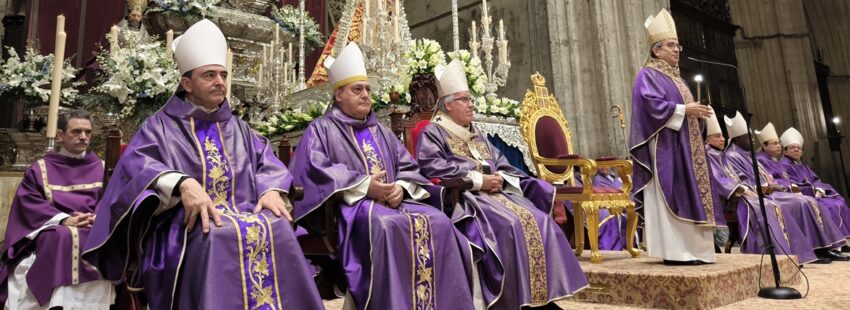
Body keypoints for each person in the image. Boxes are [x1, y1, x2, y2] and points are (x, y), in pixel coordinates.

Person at [82, 19, 323, 309]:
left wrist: (271, 190)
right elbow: (136, 166)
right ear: (186, 83)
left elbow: (268, 163)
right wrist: (182, 183)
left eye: (222, 74)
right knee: (217, 235)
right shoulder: (159, 127)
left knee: (280, 229)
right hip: (183, 225)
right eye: (209, 75)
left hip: (245, 214)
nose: (220, 82)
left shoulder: (240, 129)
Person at [289, 43, 475, 310]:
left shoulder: (382, 132)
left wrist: (400, 186)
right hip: (352, 208)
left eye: (367, 89)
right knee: (387, 227)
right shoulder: (322, 129)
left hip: (395, 202)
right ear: (338, 95)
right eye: (357, 89)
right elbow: (316, 170)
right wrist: (365, 186)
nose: (366, 95)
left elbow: (408, 167)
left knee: (440, 221)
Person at [417, 60, 588, 309]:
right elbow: (433, 168)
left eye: (470, 99)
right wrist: (478, 180)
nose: (471, 104)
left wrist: (500, 179)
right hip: (467, 198)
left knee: (539, 219)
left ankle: (540, 298)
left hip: (496, 193)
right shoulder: (434, 132)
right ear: (449, 105)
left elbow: (501, 163)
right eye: (464, 99)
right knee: (510, 225)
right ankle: (511, 300)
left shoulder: (476, 133)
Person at [629, 8, 721, 265]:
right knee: (675, 193)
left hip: (688, 147)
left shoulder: (677, 78)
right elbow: (648, 105)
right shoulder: (648, 75)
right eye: (671, 45)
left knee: (693, 193)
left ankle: (698, 250)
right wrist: (683, 109)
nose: (677, 49)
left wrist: (698, 114)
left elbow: (685, 108)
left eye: (678, 45)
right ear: (656, 50)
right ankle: (676, 252)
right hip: (667, 149)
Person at [0, 110, 115, 309]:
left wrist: (98, 218)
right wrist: (63, 219)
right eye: (77, 131)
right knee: (63, 237)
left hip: (92, 225)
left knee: (97, 238)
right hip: (53, 227)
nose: (84, 137)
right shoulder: (41, 168)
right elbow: (29, 203)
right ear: (61, 135)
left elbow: (111, 200)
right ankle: (56, 304)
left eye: (88, 132)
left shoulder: (102, 167)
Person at [723, 113, 848, 262]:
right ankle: (800, 252)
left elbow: (767, 178)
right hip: (754, 196)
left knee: (806, 201)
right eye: (747, 137)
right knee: (792, 204)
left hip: (769, 192)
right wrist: (763, 186)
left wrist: (771, 185)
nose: (752, 141)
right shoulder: (731, 156)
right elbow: (736, 180)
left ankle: (820, 248)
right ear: (737, 138)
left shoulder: (747, 155)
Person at [704, 114, 820, 263]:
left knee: (800, 201)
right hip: (735, 198)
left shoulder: (732, 154)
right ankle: (774, 256)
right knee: (769, 206)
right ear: (737, 139)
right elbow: (720, 180)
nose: (722, 139)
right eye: (717, 136)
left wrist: (767, 185)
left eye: (722, 136)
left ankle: (801, 251)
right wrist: (743, 189)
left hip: (753, 192)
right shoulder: (721, 154)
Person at [779, 127, 850, 256]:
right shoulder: (783, 165)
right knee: (827, 207)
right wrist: (811, 190)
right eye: (792, 147)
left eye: (798, 148)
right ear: (785, 151)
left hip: (815, 195)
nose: (796, 150)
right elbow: (789, 184)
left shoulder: (803, 165)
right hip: (804, 197)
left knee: (838, 203)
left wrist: (819, 189)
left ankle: (841, 242)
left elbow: (816, 180)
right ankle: (830, 245)